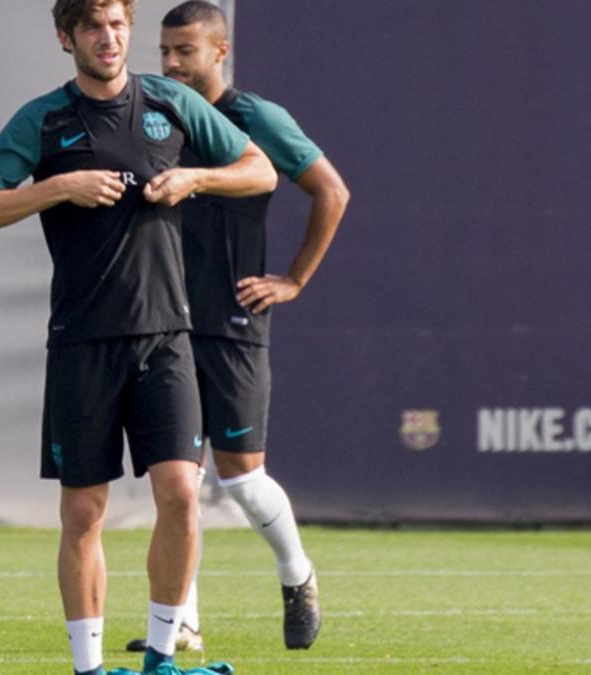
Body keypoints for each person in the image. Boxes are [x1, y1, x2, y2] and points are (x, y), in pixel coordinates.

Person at [0, 1, 277, 672]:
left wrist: (197, 175)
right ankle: (89, 666)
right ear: (65, 36)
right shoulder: (43, 120)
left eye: (119, 25)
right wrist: (59, 186)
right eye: (94, 27)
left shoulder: (168, 102)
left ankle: (162, 654)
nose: (110, 39)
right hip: (83, 339)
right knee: (83, 511)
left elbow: (260, 170)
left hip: (167, 336)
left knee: (182, 493)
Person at [125, 0, 350, 652]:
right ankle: (181, 622)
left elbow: (332, 190)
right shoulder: (156, 112)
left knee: (243, 479)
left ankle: (296, 571)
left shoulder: (254, 118)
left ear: (219, 52)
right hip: (167, 320)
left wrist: (294, 279)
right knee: (178, 480)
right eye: (164, 52)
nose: (170, 64)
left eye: (184, 52)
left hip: (232, 319)